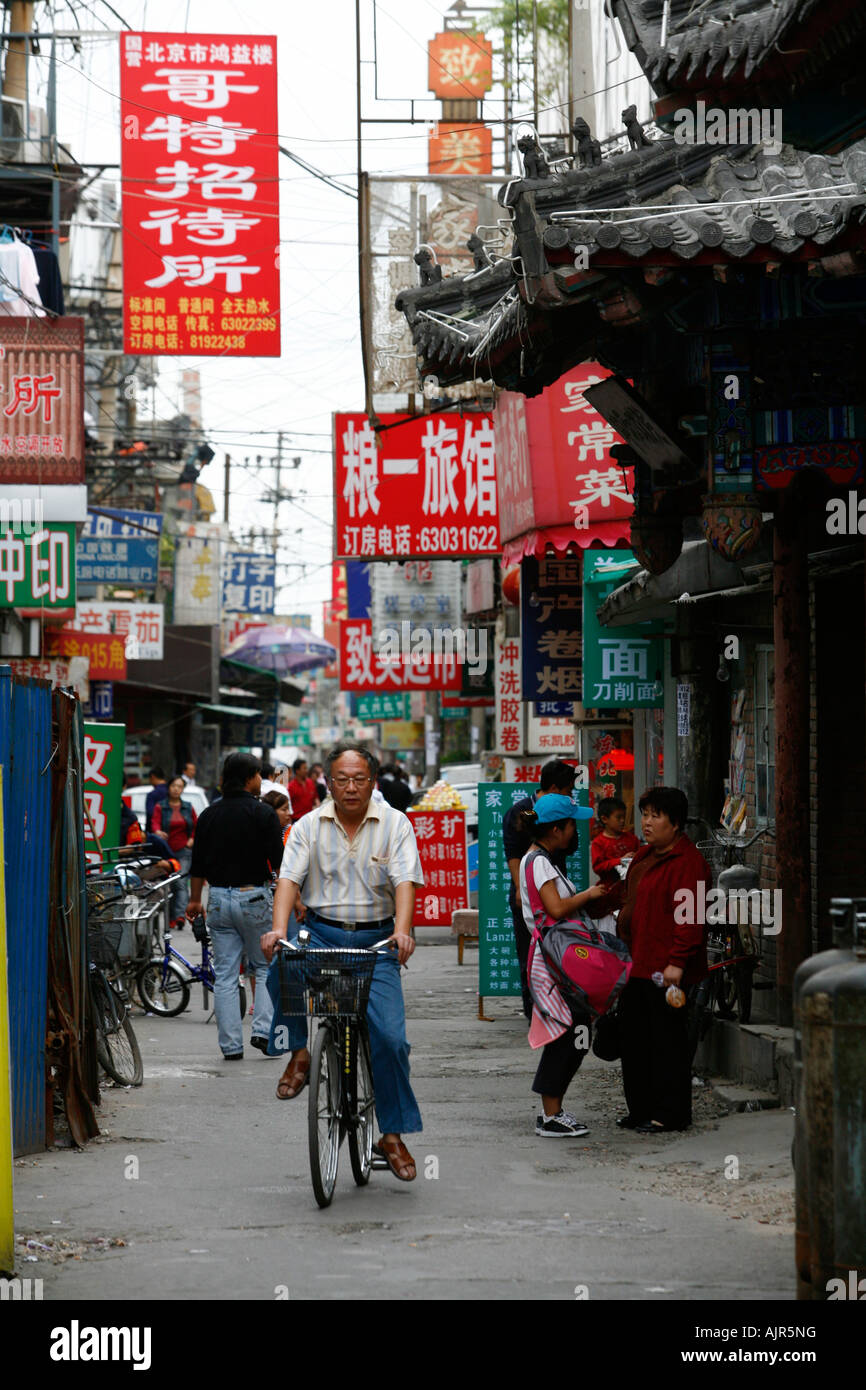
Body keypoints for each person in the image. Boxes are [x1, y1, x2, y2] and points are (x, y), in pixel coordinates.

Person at [261, 740, 425, 1182]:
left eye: (359, 779)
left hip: (377, 944)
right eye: (341, 779)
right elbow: (289, 881)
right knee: (280, 965)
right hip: (321, 934)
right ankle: (299, 1053)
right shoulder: (307, 827)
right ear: (328, 782)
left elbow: (406, 880)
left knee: (391, 1040)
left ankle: (390, 1134)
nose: (350, 787)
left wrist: (403, 932)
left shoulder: (396, 824)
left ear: (373, 782)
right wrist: (278, 930)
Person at [615, 786, 711, 1134]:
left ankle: (670, 1114)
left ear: (676, 823)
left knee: (667, 1044)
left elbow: (690, 918)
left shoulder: (689, 864)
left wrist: (677, 962)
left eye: (656, 815)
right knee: (634, 1041)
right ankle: (639, 1109)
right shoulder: (643, 857)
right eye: (645, 814)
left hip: (667, 971)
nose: (647, 822)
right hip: (635, 964)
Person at [187, 753, 284, 1062]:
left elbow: (197, 864)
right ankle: (263, 1032)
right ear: (249, 777)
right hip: (254, 897)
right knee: (264, 966)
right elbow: (281, 864)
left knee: (226, 974)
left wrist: (193, 900)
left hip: (216, 899)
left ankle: (231, 1046)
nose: (261, 781)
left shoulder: (208, 815)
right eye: (259, 775)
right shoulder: (263, 814)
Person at [519, 795, 607, 1137]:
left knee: (573, 1031)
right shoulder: (539, 862)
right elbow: (555, 909)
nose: (575, 831)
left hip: (556, 958)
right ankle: (551, 1113)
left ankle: (552, 1110)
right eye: (572, 825)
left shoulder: (540, 859)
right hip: (555, 961)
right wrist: (589, 895)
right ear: (556, 829)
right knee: (568, 1034)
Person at [503, 760, 594, 1020]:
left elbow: (567, 846)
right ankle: (537, 1013)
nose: (571, 795)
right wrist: (521, 889)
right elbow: (514, 850)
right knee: (531, 955)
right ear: (554, 788)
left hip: (552, 883)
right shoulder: (526, 811)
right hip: (530, 886)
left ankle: (558, 1011)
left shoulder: (564, 811)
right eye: (567, 790)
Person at [149, 775, 197, 924]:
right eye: (173, 786)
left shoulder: (188, 807)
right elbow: (154, 823)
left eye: (179, 786)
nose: (176, 789)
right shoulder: (160, 806)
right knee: (168, 884)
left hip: (184, 850)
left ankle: (180, 916)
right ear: (168, 788)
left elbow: (197, 826)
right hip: (166, 851)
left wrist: (192, 839)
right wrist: (157, 832)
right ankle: (171, 918)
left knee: (180, 882)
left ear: (183, 789)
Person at [591, 797, 641, 889]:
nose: (622, 821)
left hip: (631, 886)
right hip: (609, 888)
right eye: (618, 817)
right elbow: (598, 867)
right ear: (605, 819)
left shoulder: (632, 839)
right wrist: (620, 861)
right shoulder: (598, 843)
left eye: (624, 817)